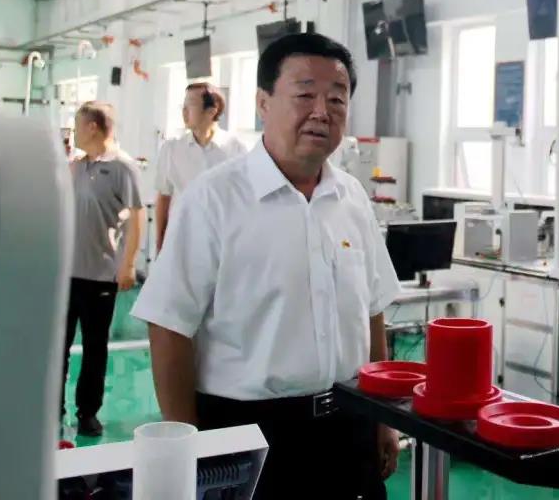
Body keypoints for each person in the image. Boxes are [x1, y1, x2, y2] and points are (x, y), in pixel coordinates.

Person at [132, 33, 402, 499]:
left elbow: (372, 311)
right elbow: (169, 326)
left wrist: (384, 419)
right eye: (305, 95)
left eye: (337, 99)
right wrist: (188, 450)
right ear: (263, 102)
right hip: (248, 433)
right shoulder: (213, 199)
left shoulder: (352, 198)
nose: (322, 112)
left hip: (351, 426)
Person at [64, 101, 146, 437]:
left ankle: (87, 413)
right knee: (57, 348)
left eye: (77, 125)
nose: (74, 132)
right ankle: (51, 410)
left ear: (93, 127)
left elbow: (137, 216)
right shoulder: (75, 165)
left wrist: (128, 264)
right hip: (65, 274)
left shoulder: (123, 167)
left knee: (94, 349)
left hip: (99, 274)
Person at [154, 82, 247, 254]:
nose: (184, 112)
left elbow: (244, 200)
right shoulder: (172, 149)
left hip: (222, 243)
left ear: (212, 111)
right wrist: (160, 242)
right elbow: (164, 197)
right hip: (180, 241)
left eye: (191, 105)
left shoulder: (235, 150)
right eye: (183, 106)